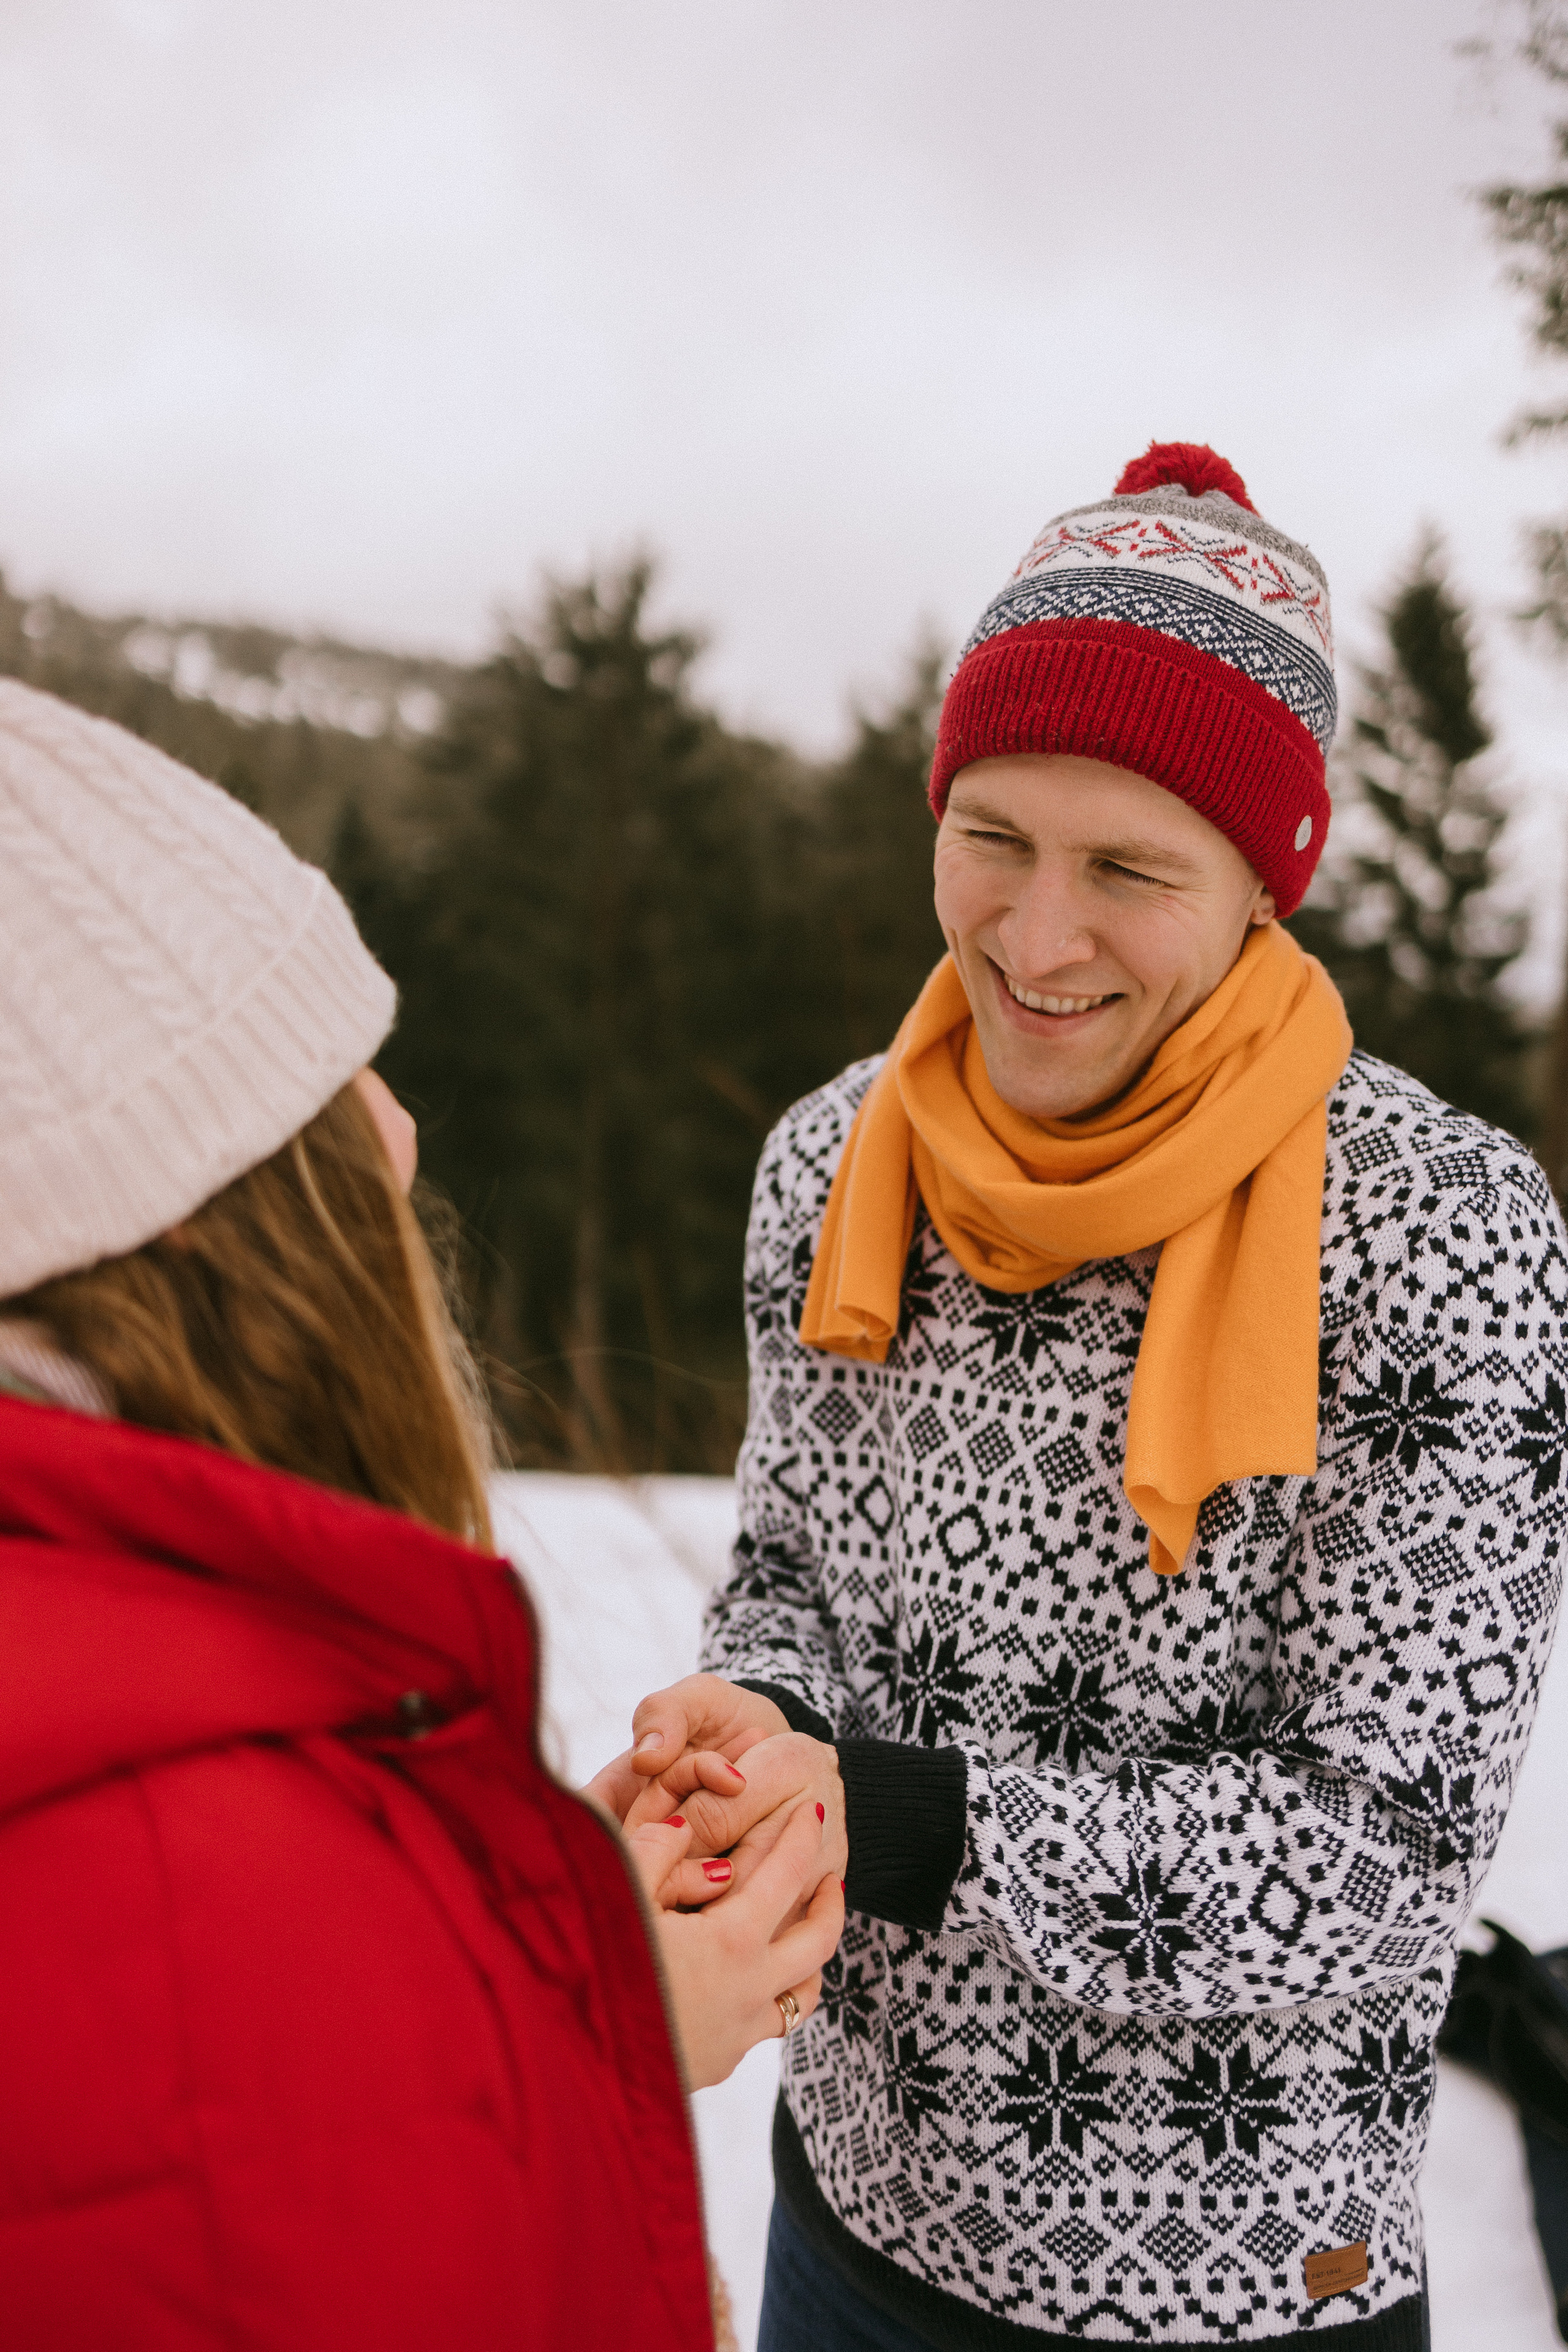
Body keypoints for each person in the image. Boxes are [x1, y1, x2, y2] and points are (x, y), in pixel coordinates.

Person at [622, 443, 1568, 2351]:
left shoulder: (1444, 1230)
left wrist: (886, 1819)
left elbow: (1378, 1857)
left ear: (1263, 883)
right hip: (852, 2219)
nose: (1033, 945)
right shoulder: (838, 1158)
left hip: (1234, 2285)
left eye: (1130, 869)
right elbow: (797, 1557)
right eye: (991, 838)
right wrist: (764, 1719)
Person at [0, 677, 841, 2351]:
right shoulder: (187, 1879)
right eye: (334, 1074)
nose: (397, 1122)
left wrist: (488, 1936)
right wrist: (566, 2018)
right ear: (182, 1208)